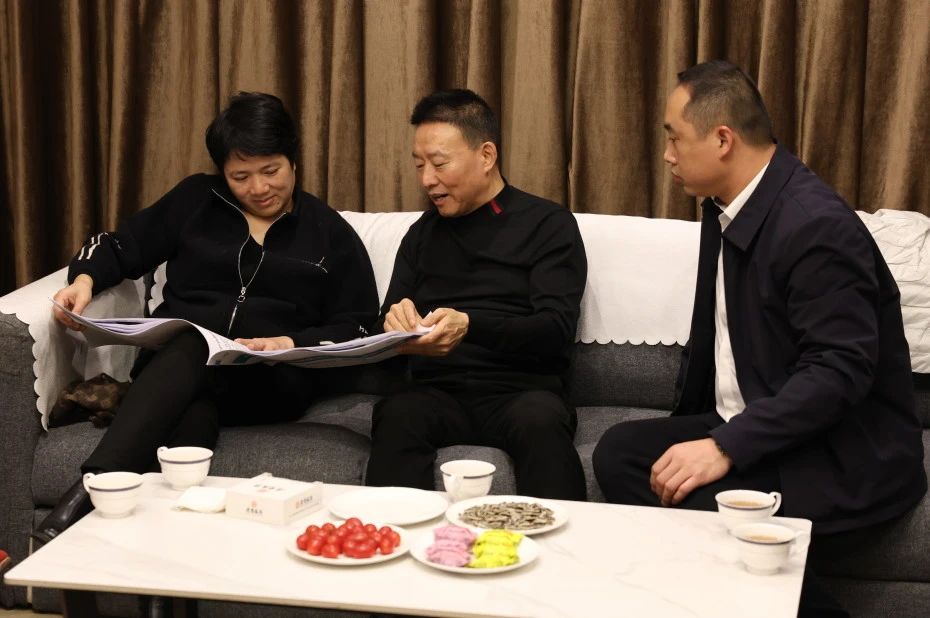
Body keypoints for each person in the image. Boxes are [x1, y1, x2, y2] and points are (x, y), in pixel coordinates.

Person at [592, 60, 926, 615]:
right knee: (621, 454)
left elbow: (839, 371)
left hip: (842, 451)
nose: (668, 154)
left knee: (709, 514)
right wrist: (714, 436)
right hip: (765, 423)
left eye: (675, 138)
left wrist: (727, 446)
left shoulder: (813, 225)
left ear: (723, 139)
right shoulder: (727, 208)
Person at [33, 92, 379, 545]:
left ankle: (88, 491)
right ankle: (169, 545)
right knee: (192, 398)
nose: (259, 188)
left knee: (191, 358)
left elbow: (358, 323)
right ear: (222, 173)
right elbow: (121, 245)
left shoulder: (329, 233)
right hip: (179, 371)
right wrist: (83, 280)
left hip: (268, 384)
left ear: (294, 162)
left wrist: (290, 343)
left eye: (271, 171)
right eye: (240, 177)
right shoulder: (196, 200)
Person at [364, 89, 588, 500]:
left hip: (521, 392)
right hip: (436, 392)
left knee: (540, 421)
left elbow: (555, 328)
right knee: (397, 414)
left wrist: (471, 325)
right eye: (419, 165)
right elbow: (382, 326)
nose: (427, 180)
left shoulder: (548, 224)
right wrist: (395, 328)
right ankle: (392, 532)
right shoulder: (421, 234)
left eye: (439, 163)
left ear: (486, 156)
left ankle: (562, 540)